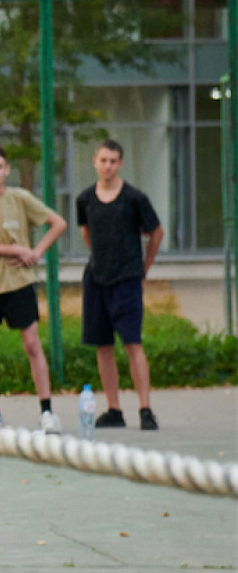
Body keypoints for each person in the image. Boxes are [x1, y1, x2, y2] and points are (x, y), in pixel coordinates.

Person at [0, 145, 69, 433]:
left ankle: (47, 411)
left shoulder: (20, 198)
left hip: (19, 283)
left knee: (32, 344)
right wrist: (14, 248)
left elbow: (58, 223)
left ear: (7, 170)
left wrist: (35, 252)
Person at [76, 139, 163, 430]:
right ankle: (114, 409)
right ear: (94, 162)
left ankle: (145, 408)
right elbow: (87, 232)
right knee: (103, 345)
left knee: (132, 343)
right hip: (96, 280)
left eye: (113, 161)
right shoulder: (85, 199)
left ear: (121, 163)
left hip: (126, 280)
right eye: (103, 160)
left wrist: (143, 268)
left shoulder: (135, 198)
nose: (108, 166)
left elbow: (156, 232)